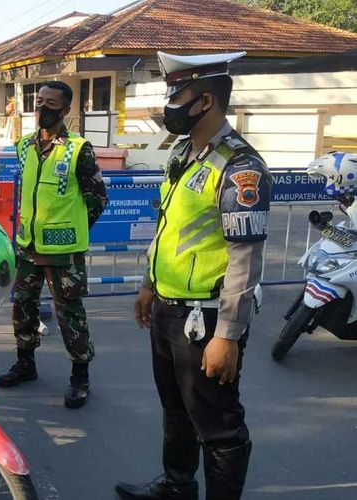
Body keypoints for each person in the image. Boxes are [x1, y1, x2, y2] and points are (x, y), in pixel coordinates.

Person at [115, 51, 271, 500]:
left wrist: (227, 335)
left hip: (205, 319)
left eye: (176, 94)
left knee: (218, 424)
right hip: (167, 307)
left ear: (205, 101)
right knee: (176, 408)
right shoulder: (184, 153)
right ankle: (177, 486)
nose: (169, 104)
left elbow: (245, 258)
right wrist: (148, 285)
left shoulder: (240, 167)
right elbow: (168, 226)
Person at [0, 81, 107, 409]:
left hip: (63, 251)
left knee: (70, 312)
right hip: (28, 246)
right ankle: (25, 364)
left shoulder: (79, 148)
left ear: (65, 110)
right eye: (39, 101)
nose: (42, 108)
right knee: (23, 307)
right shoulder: (24, 146)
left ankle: (80, 376)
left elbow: (98, 197)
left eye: (50, 103)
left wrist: (73, 229)